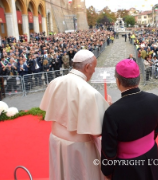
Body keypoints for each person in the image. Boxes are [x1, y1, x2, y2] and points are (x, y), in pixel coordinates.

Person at [40, 50, 111, 180]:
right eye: (94, 67)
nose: (94, 71)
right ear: (87, 67)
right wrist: (107, 107)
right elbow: (97, 132)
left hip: (55, 139)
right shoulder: (90, 93)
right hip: (78, 147)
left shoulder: (55, 82)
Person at [101, 59, 158, 180]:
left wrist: (107, 171)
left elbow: (109, 151)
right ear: (139, 78)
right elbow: (156, 129)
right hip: (151, 154)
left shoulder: (112, 112)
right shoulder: (155, 99)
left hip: (127, 165)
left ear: (118, 81)